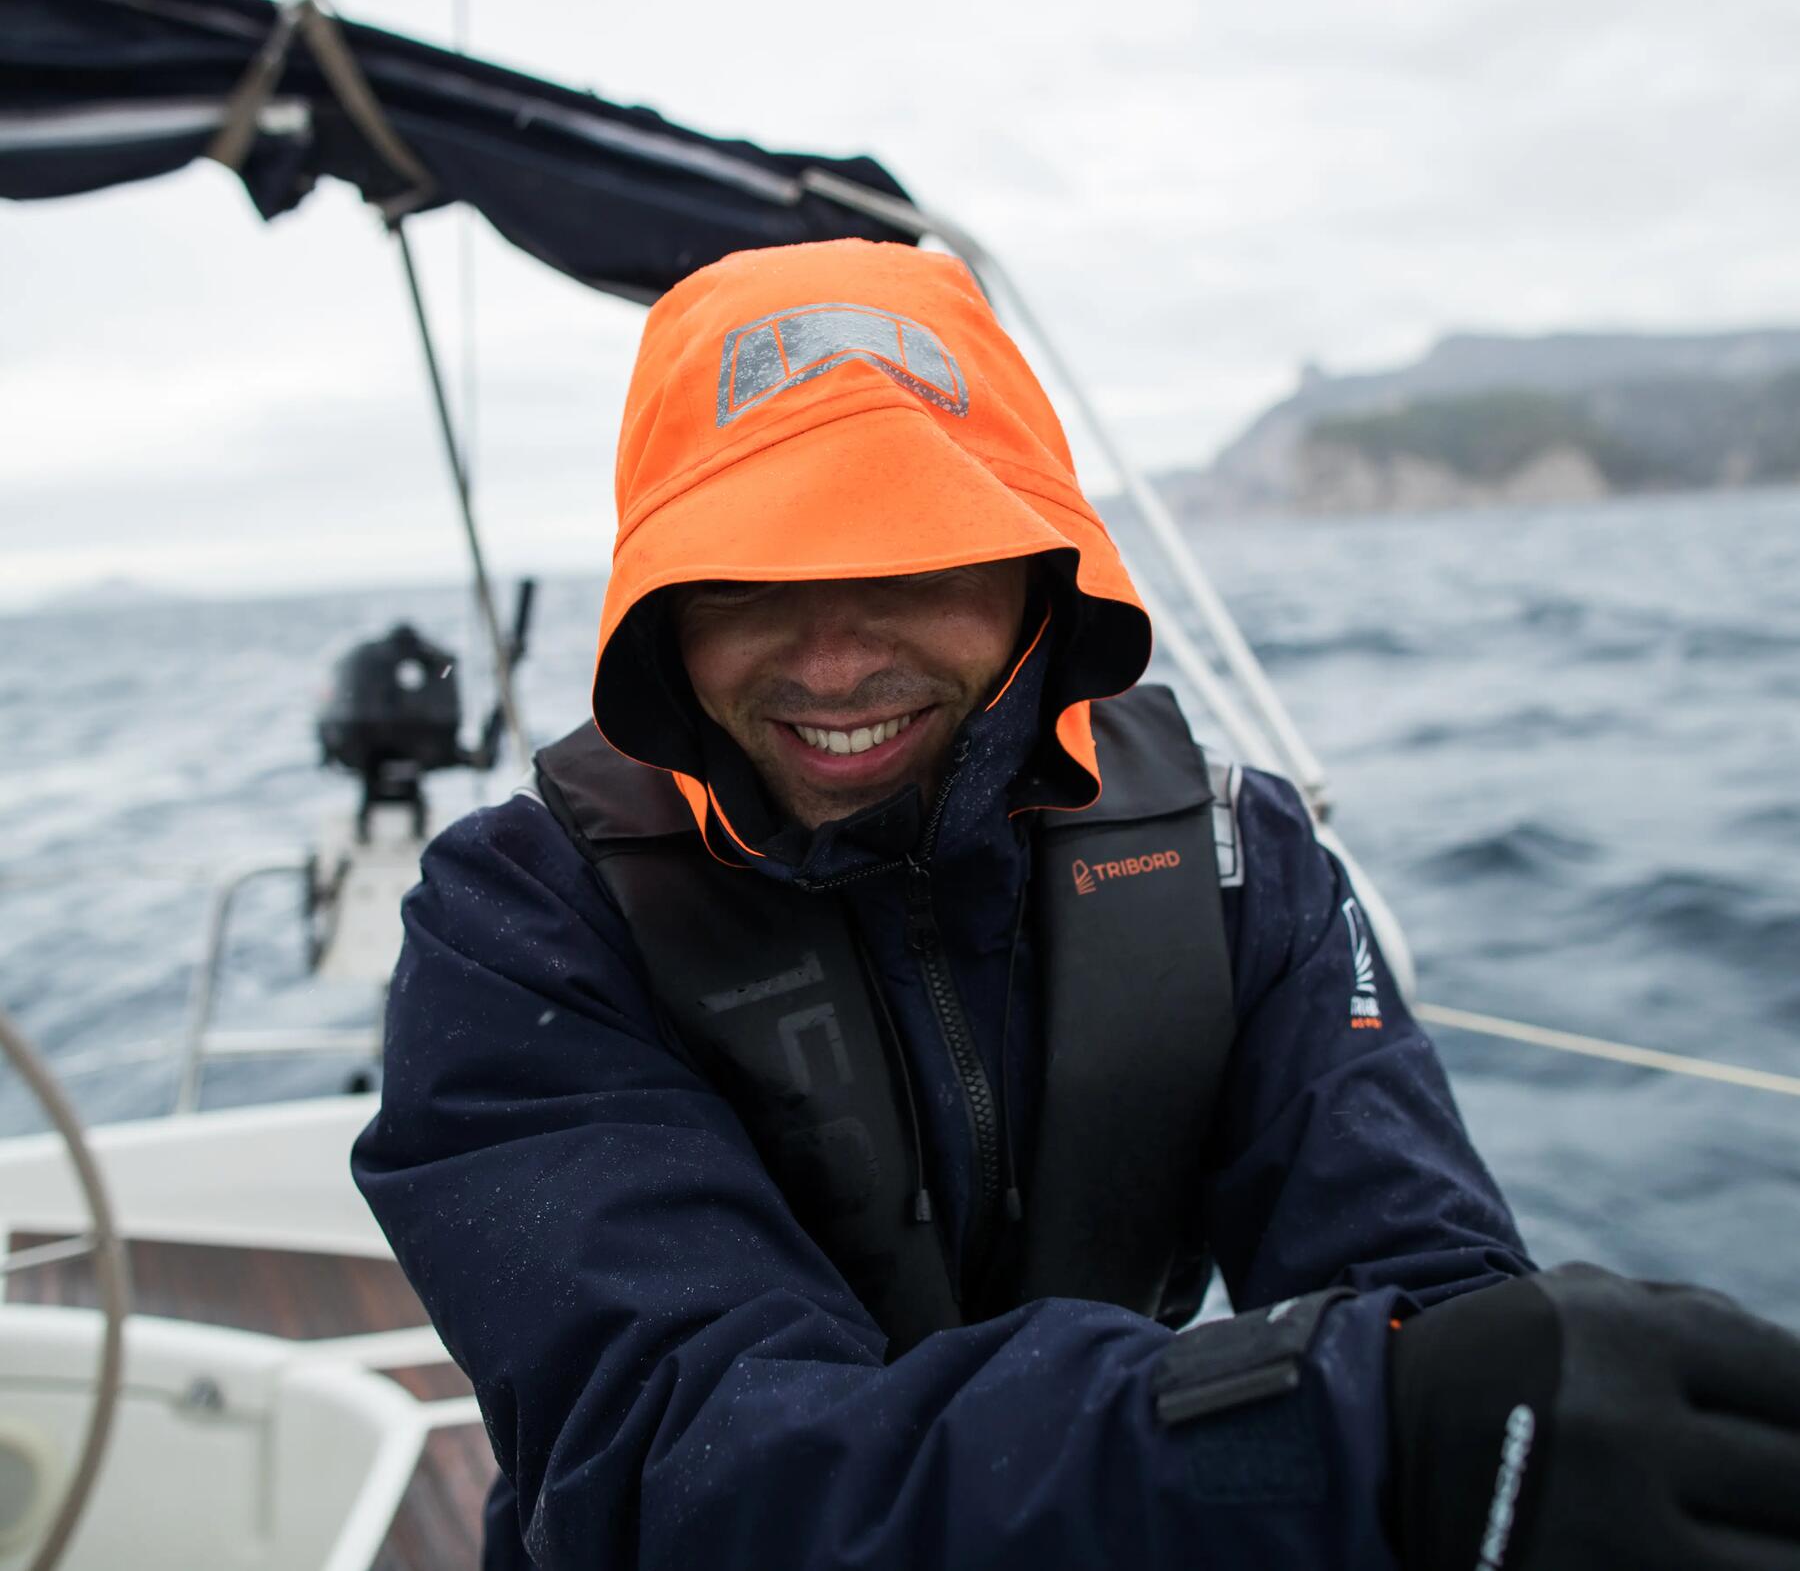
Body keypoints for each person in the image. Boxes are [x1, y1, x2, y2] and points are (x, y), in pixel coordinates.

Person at [352, 240, 1800, 1571]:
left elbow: (1427, 1289)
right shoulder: (522, 920)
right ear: (660, 608)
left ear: (1038, 574)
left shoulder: (1234, 855)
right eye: (748, 578)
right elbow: (679, 1471)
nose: (836, 662)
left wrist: (1513, 1416)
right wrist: (1337, 1437)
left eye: (910, 558)